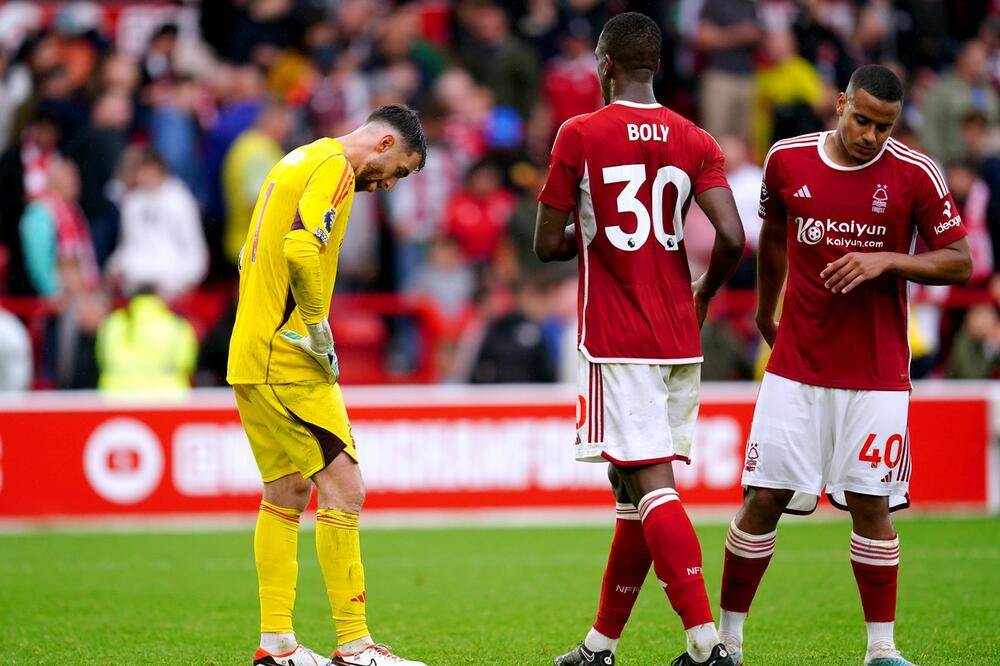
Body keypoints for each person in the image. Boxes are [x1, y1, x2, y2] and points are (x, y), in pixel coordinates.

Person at [717, 65, 972, 666]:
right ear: (839, 105)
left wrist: (887, 259)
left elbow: (960, 262)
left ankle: (881, 651)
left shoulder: (916, 173)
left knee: (870, 506)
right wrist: (765, 310)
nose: (870, 136)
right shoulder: (788, 160)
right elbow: (774, 234)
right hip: (796, 365)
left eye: (883, 126)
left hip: (877, 371)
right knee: (764, 498)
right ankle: (727, 643)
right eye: (862, 120)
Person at [535, 13, 744, 666]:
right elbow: (734, 238)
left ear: (604, 65)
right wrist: (704, 292)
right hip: (680, 334)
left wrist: (590, 236)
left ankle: (705, 643)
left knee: (648, 479)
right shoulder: (694, 138)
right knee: (631, 486)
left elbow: (546, 244)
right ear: (654, 66)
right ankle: (601, 645)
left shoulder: (580, 133)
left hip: (617, 334)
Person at [226, 104, 427, 666]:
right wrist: (315, 324)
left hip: (251, 354)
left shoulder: (297, 158)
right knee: (345, 490)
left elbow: (250, 252)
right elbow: (298, 248)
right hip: (287, 359)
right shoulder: (337, 167)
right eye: (399, 172)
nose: (388, 186)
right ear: (385, 144)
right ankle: (356, 644)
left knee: (286, 491)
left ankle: (278, 645)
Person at [106, 149, 208, 301]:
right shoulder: (132, 202)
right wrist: (114, 268)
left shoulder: (180, 200)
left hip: (171, 284)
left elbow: (194, 251)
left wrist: (180, 284)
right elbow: (127, 245)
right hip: (136, 283)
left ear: (159, 170)